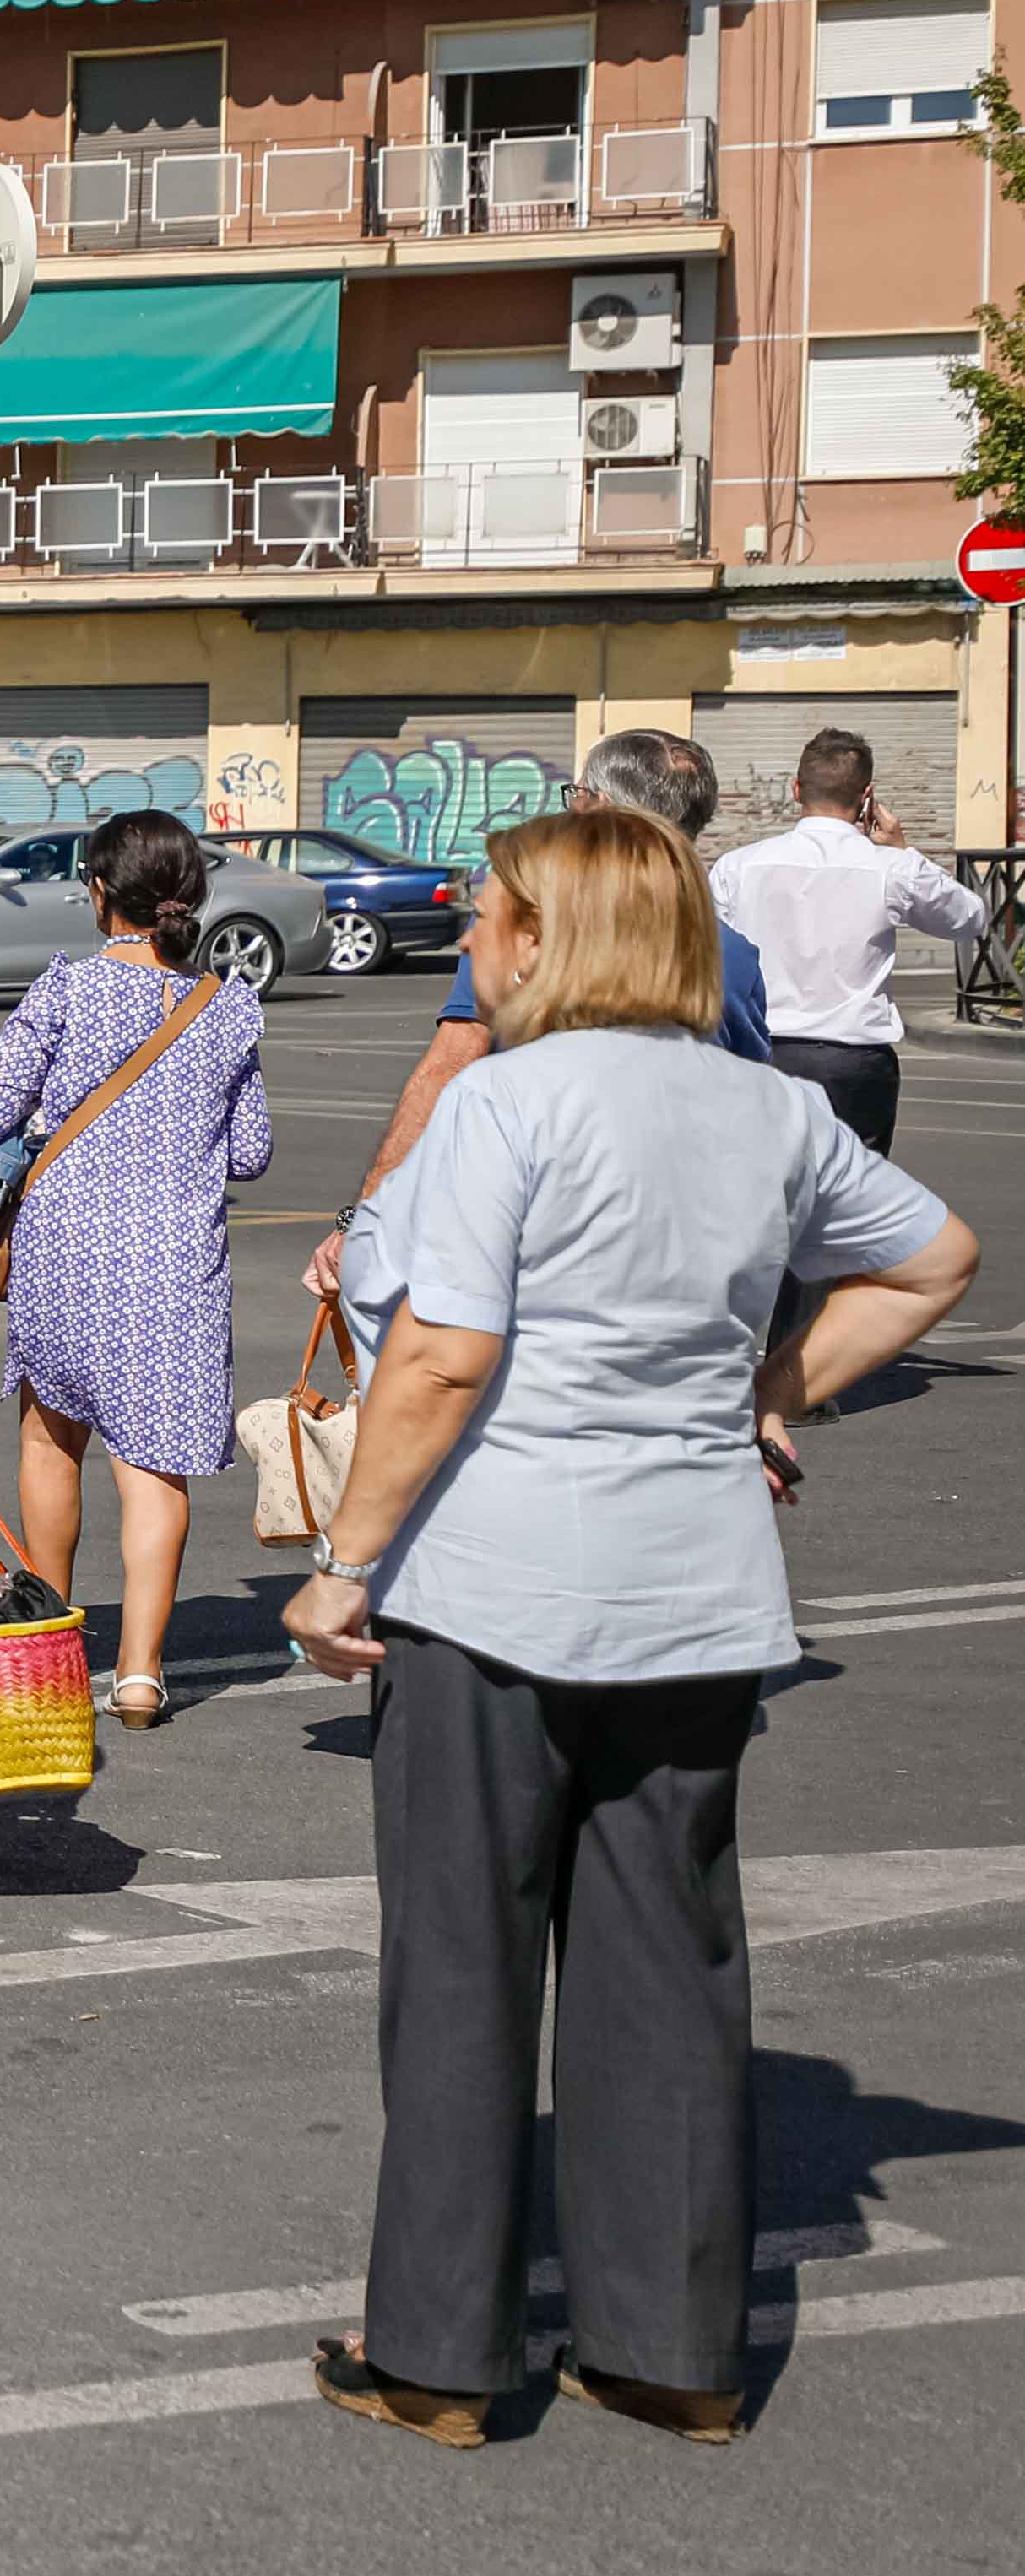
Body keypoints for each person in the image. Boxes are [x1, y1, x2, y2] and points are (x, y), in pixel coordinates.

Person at [295, 809, 974, 2449]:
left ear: (548, 938)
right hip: (698, 1598)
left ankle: (439, 2354)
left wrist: (344, 1558)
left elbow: (442, 1355)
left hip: (493, 1591)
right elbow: (933, 1255)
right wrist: (764, 1386)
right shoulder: (762, 1108)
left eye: (485, 921)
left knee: (461, 1967)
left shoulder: (500, 1104)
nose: (465, 944)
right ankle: (669, 2347)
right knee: (668, 1967)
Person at [0, 809, 270, 1730]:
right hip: (174, 1267)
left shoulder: (63, 991)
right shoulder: (226, 1006)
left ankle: (47, 1650)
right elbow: (247, 1152)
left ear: (99, 891)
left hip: (63, 1255)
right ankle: (138, 1674)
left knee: (51, 1443)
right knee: (152, 1469)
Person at [308, 731, 771, 1301]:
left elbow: (452, 1061)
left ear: (596, 807)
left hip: (530, 1265)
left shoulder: (521, 931)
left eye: (575, 793)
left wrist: (367, 1219)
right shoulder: (736, 958)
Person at [711, 727, 982, 1157]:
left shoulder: (736, 867)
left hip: (763, 1056)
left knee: (766, 1193)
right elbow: (969, 917)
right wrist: (904, 850)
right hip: (855, 1064)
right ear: (868, 795)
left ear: (796, 789)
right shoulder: (892, 867)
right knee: (857, 1205)